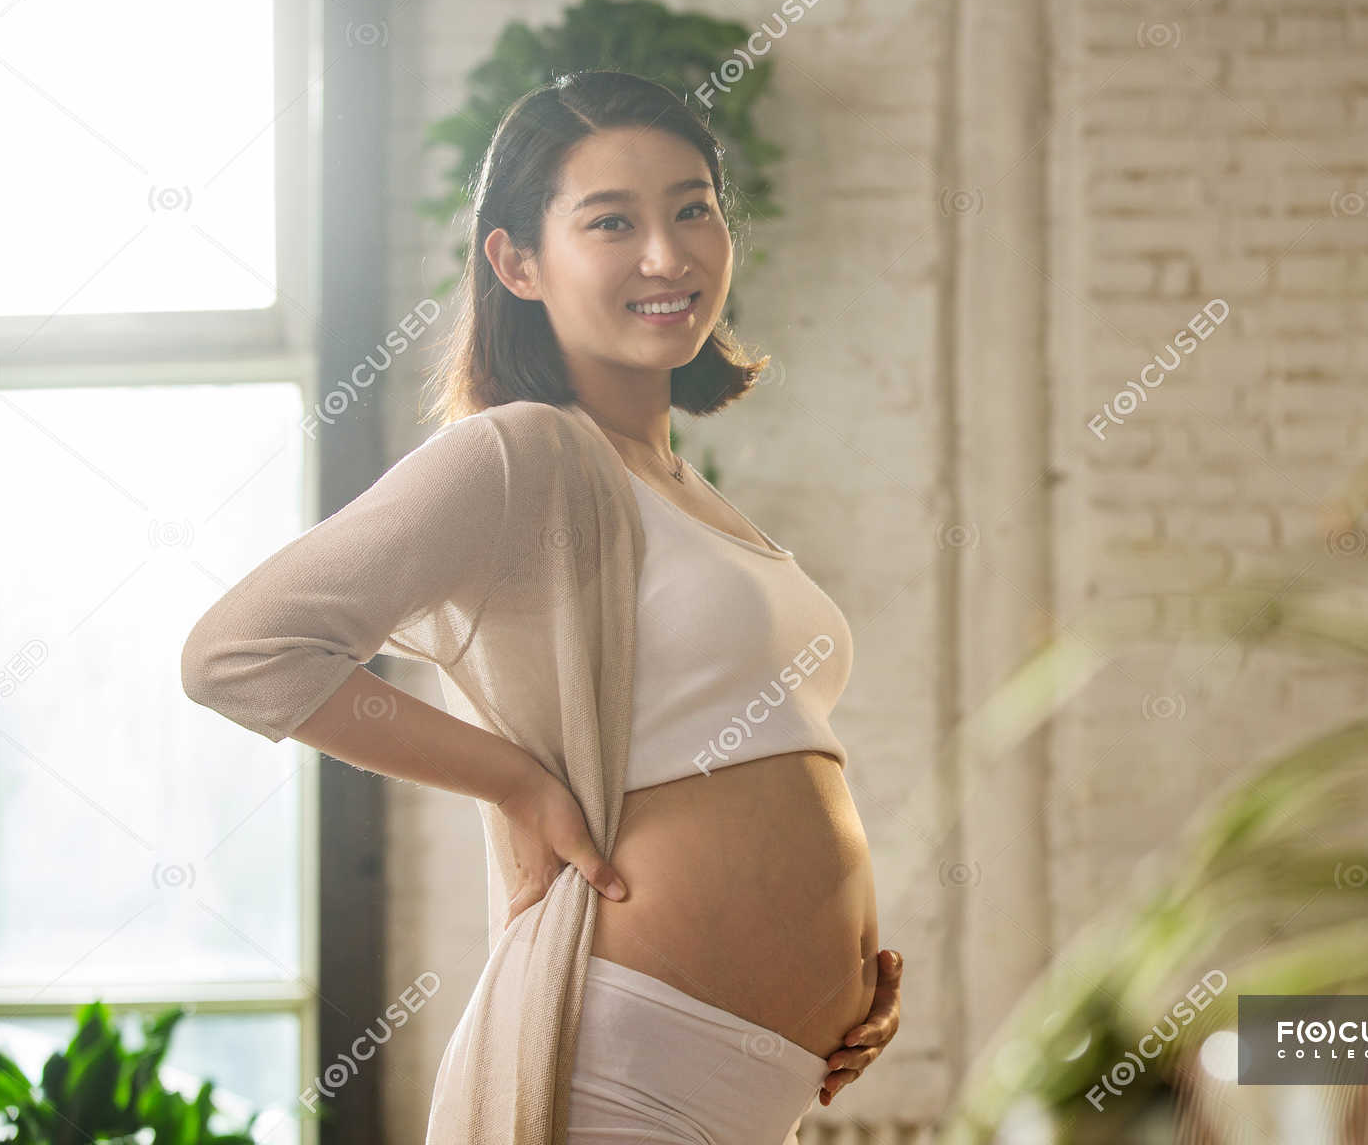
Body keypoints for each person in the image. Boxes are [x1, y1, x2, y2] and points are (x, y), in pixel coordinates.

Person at [180, 70, 901, 1143]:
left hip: (750, 1091)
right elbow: (238, 653)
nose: (669, 254)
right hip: (626, 1077)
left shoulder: (688, 493)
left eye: (693, 207)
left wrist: (845, 981)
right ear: (517, 261)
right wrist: (518, 782)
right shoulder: (519, 452)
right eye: (612, 221)